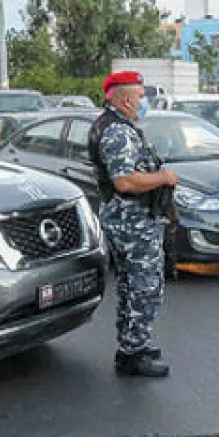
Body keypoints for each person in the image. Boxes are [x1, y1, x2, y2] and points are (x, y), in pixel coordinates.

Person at [88, 70, 178, 378]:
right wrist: (163, 178)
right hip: (132, 222)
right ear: (125, 99)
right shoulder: (118, 132)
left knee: (131, 285)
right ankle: (133, 354)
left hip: (128, 221)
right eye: (140, 97)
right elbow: (125, 181)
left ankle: (132, 345)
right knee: (145, 286)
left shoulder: (115, 126)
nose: (144, 102)